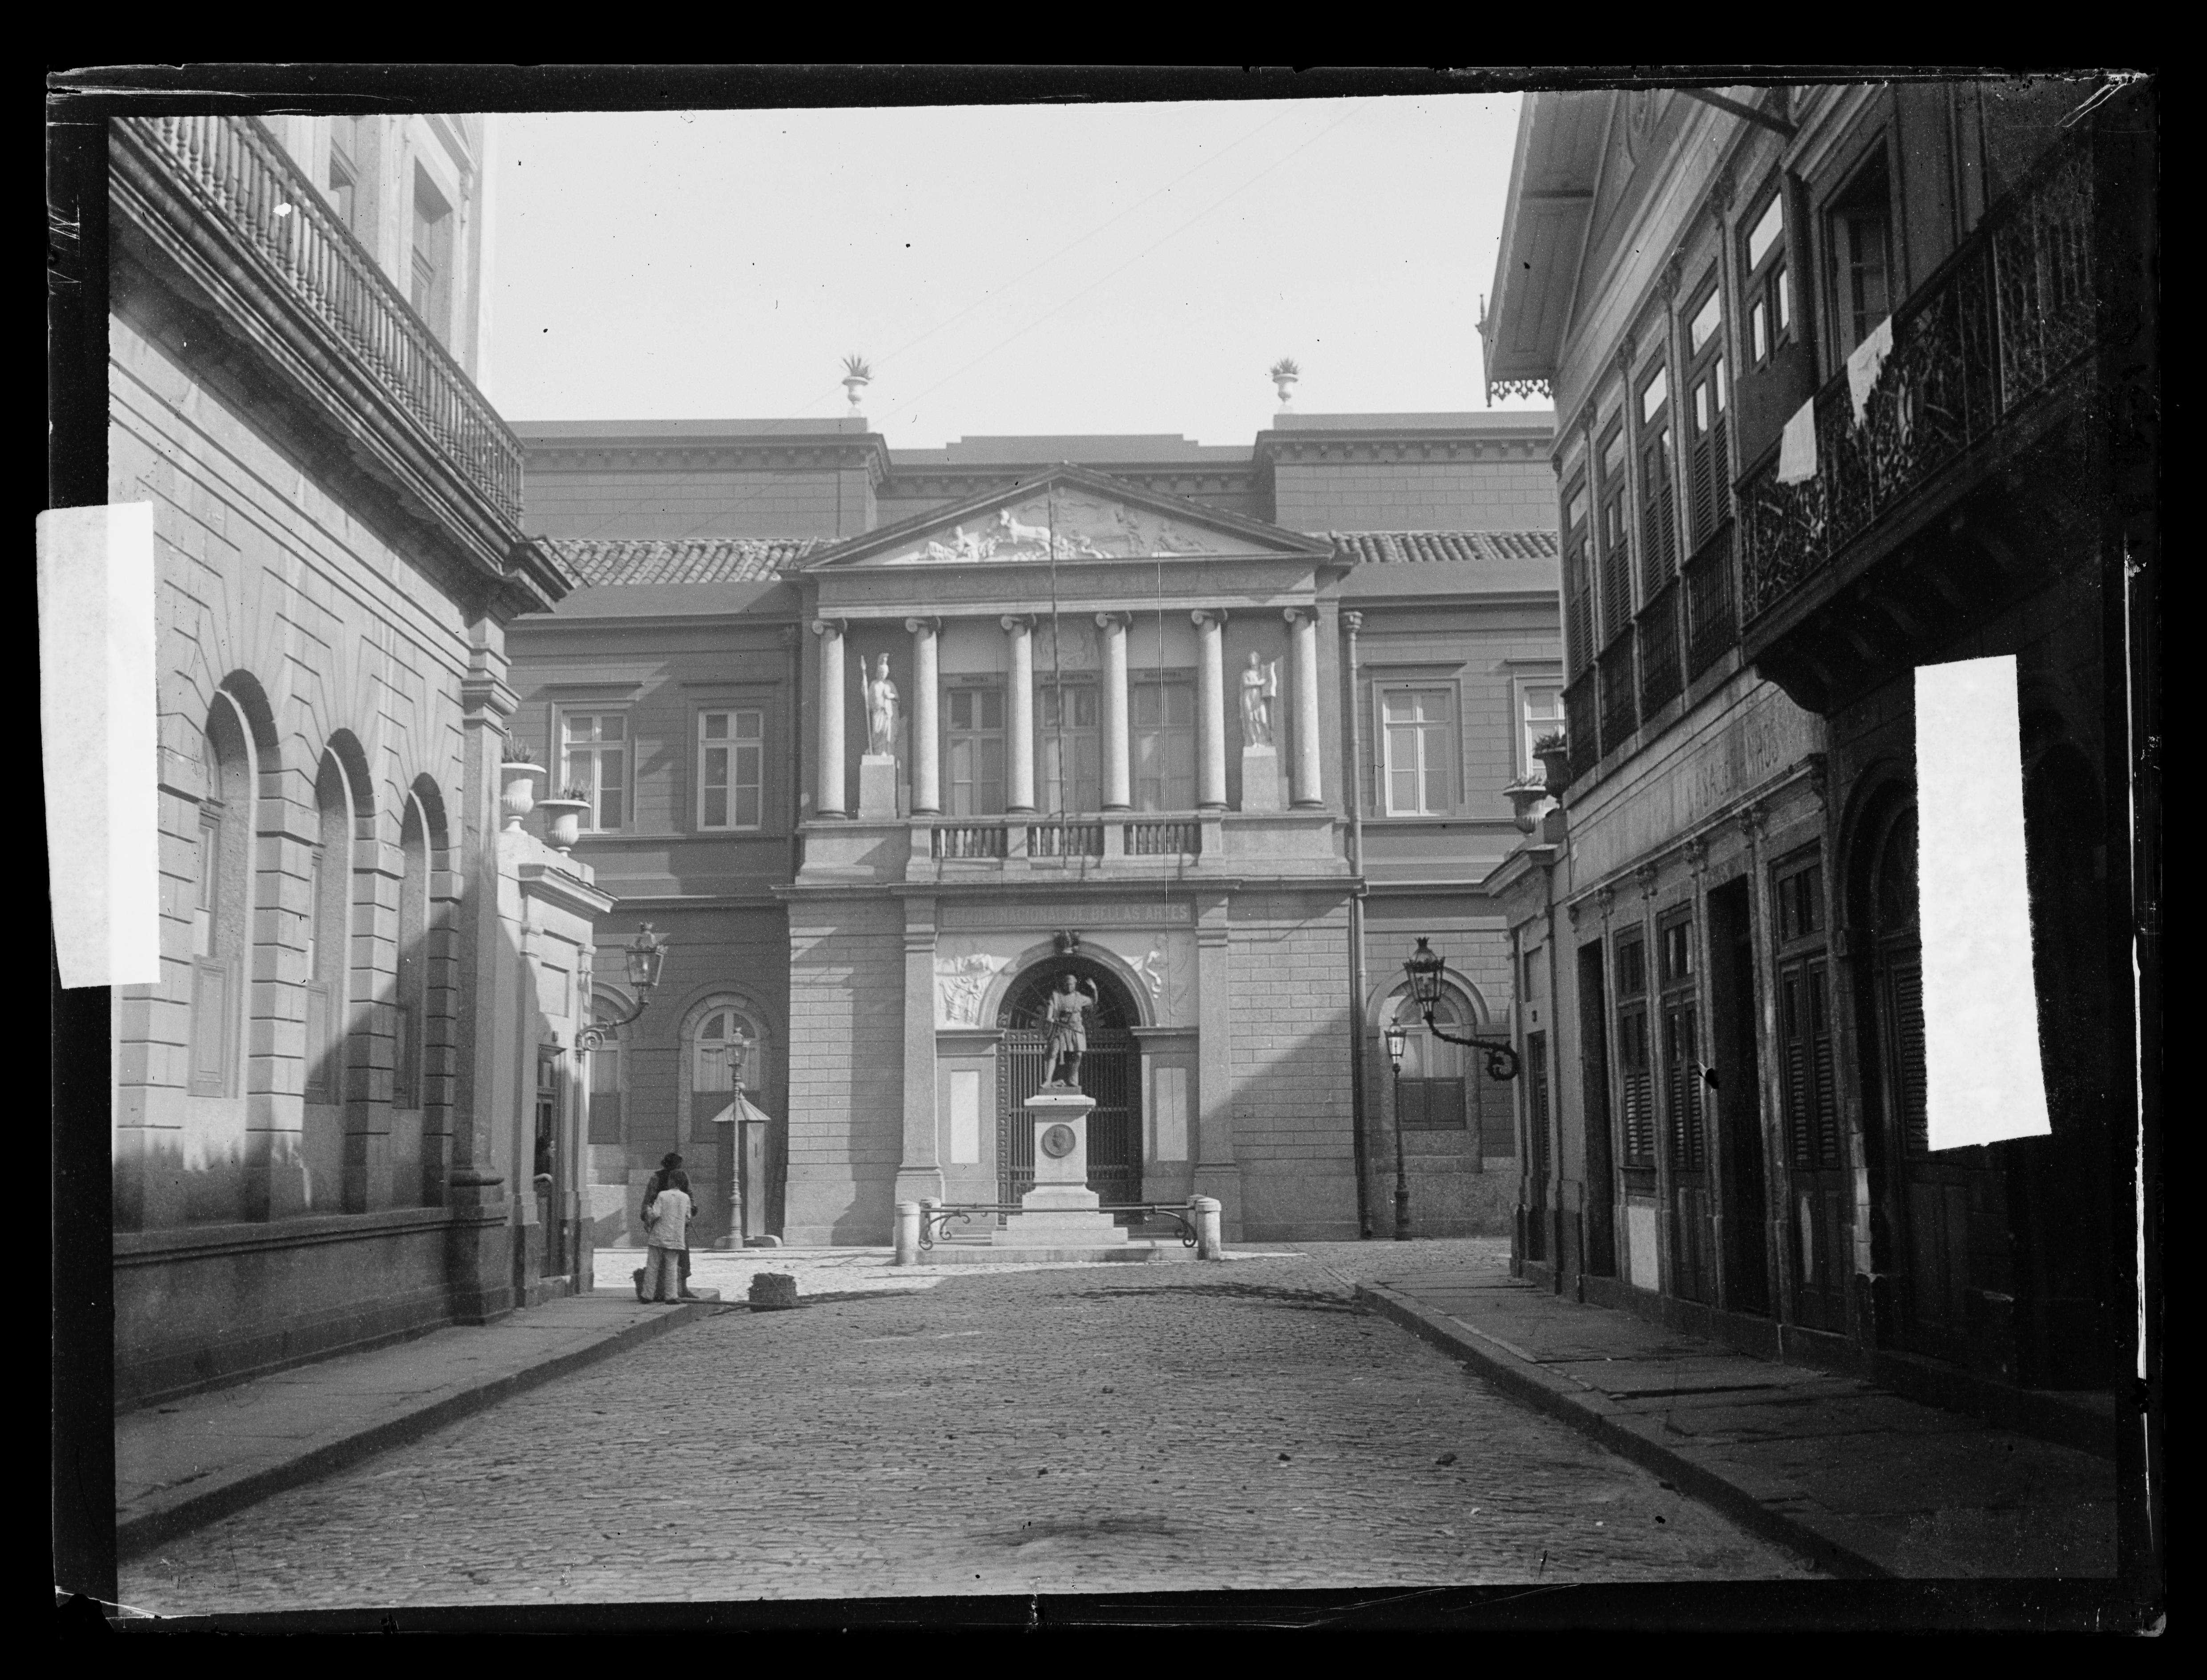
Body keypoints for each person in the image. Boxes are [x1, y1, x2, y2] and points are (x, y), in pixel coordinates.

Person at [639, 1162, 694, 1305]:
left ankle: (647, 1295)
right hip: (676, 1238)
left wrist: (649, 1215)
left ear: (672, 1181)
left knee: (653, 1267)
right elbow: (688, 1218)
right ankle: (672, 1296)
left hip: (659, 1237)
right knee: (672, 1268)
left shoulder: (663, 1195)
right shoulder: (686, 1198)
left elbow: (656, 1214)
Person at [1043, 973, 1100, 1090]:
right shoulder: (1056, 995)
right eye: (1067, 985)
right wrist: (1050, 1018)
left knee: (1078, 1055)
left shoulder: (1079, 997)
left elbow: (1094, 1001)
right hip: (1060, 1029)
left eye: (1072, 985)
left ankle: (1072, 1080)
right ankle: (1048, 1081)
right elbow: (1050, 1009)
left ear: (1075, 985)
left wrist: (1094, 988)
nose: (1069, 987)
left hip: (1076, 1029)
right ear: (1063, 985)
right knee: (1053, 1053)